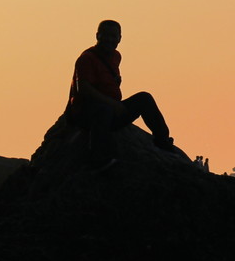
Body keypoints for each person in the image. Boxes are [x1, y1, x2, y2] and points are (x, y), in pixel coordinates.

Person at [66, 19, 176, 167]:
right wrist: (113, 104)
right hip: (87, 114)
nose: (110, 40)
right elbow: (84, 89)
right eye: (106, 35)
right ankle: (98, 157)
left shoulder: (116, 57)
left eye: (114, 36)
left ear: (119, 38)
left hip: (111, 111)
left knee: (144, 98)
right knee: (103, 110)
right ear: (98, 36)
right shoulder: (87, 59)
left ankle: (162, 140)